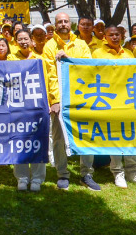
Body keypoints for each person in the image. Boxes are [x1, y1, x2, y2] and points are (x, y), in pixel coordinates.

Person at [42, 12, 98, 191]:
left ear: (71, 24)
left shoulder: (81, 44)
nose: (63, 24)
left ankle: (86, 174)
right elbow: (50, 75)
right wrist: (55, 100)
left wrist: (68, 59)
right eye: (60, 22)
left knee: (86, 136)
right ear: (55, 25)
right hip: (60, 99)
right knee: (58, 138)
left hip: (81, 97)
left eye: (66, 21)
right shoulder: (49, 46)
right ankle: (62, 174)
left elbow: (88, 68)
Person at [93, 26, 136, 188]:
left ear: (122, 36)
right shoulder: (97, 53)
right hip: (110, 101)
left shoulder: (128, 53)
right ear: (104, 36)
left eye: (117, 35)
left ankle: (133, 172)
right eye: (110, 35)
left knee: (131, 136)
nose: (114, 37)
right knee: (115, 138)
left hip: (128, 100)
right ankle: (118, 173)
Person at [10, 29, 45, 192]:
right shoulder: (11, 58)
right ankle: (22, 178)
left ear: (31, 40)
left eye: (26, 39)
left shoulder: (40, 59)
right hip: (18, 108)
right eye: (20, 39)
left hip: (38, 107)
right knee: (19, 142)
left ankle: (37, 179)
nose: (23, 42)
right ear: (15, 41)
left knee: (39, 141)